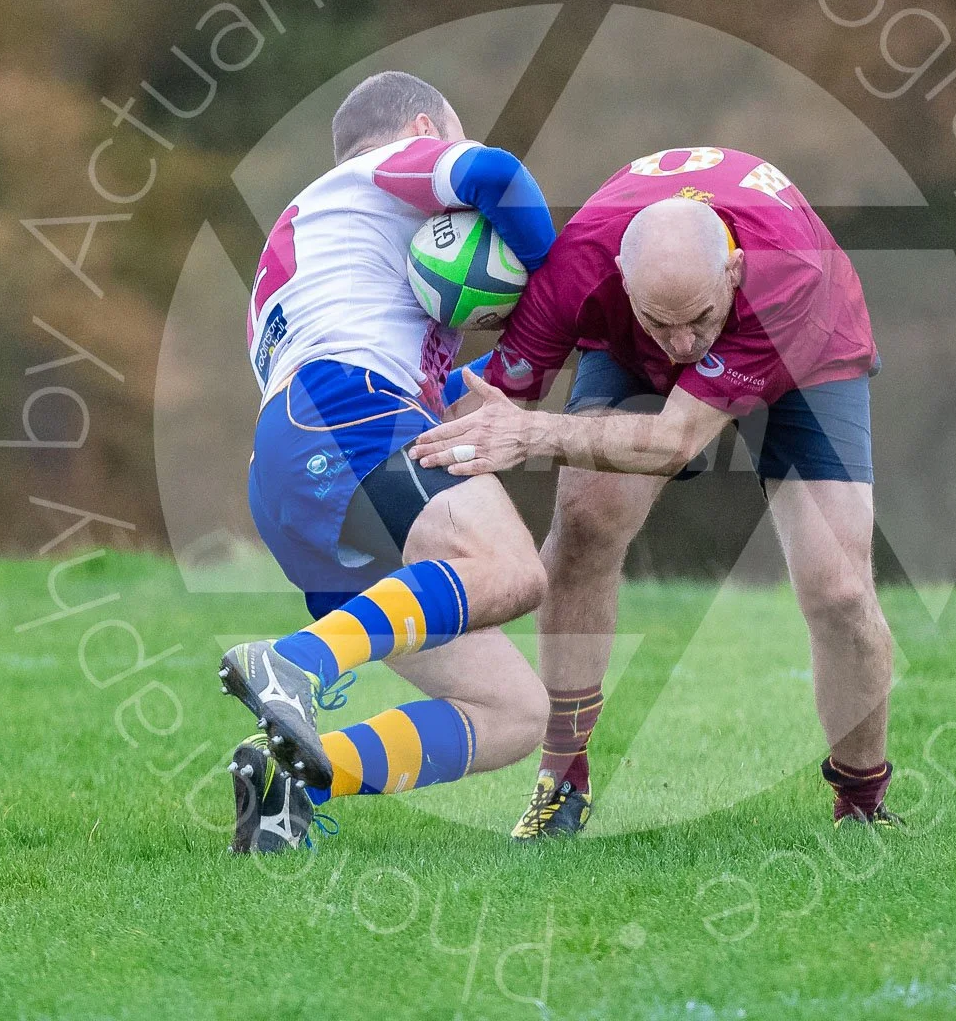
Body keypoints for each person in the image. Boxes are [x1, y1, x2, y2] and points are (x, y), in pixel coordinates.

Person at [410, 146, 900, 838]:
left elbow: (674, 442)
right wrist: (360, 417)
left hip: (803, 352)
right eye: (658, 321)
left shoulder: (787, 270)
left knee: (839, 591)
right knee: (585, 521)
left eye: (698, 319)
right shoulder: (573, 270)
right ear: (618, 279)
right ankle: (561, 783)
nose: (681, 346)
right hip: (624, 347)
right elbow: (494, 401)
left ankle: (862, 801)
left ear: (733, 270)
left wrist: (535, 434)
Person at [221, 70, 557, 853]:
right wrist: (556, 284)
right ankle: (290, 664)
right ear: (421, 129)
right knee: (511, 569)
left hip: (290, 460)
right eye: (450, 132)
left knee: (512, 712)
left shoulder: (326, 245)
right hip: (342, 409)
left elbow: (426, 388)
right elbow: (495, 174)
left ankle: (293, 780)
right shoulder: (382, 166)